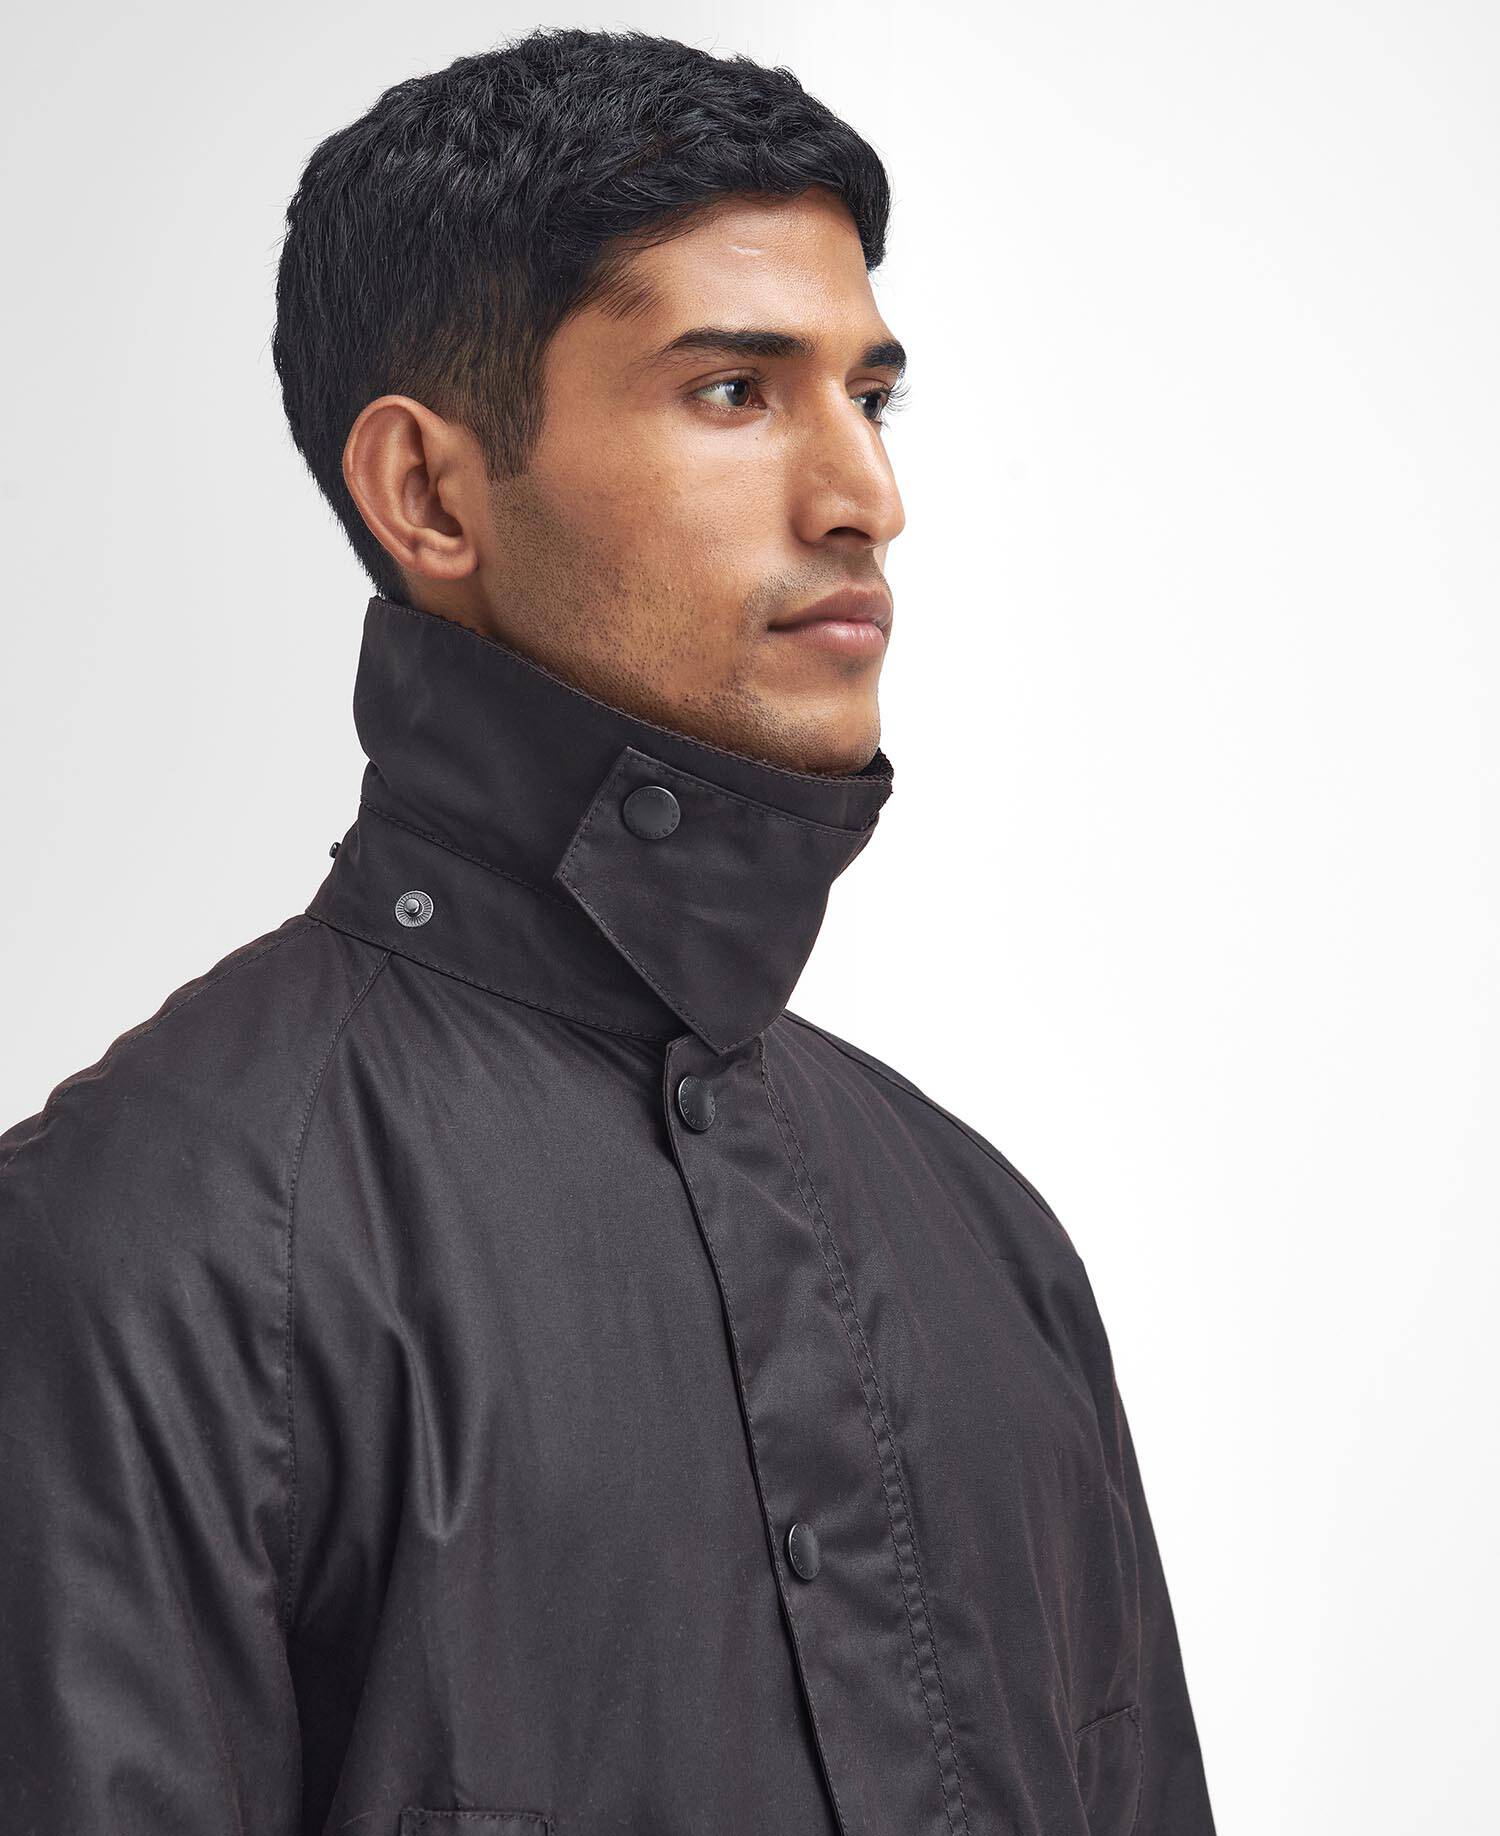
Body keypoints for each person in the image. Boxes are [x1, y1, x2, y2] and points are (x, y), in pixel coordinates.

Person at [0, 27, 1216, 1836]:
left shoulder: (990, 1246)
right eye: (734, 390)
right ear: (429, 494)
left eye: (870, 398)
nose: (866, 497)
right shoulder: (145, 1246)